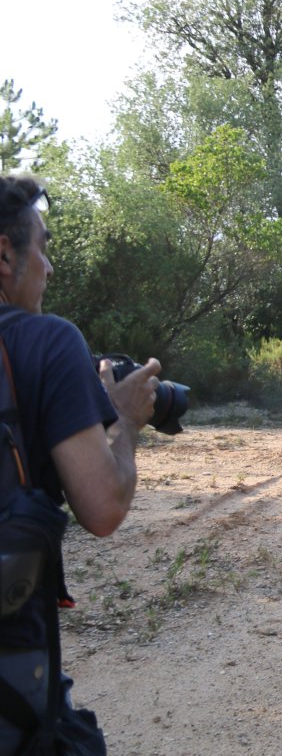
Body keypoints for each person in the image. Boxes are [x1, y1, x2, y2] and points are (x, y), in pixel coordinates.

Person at [0, 176, 161, 755]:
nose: (48, 268)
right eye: (41, 248)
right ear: (4, 253)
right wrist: (123, 420)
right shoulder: (45, 342)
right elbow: (103, 507)